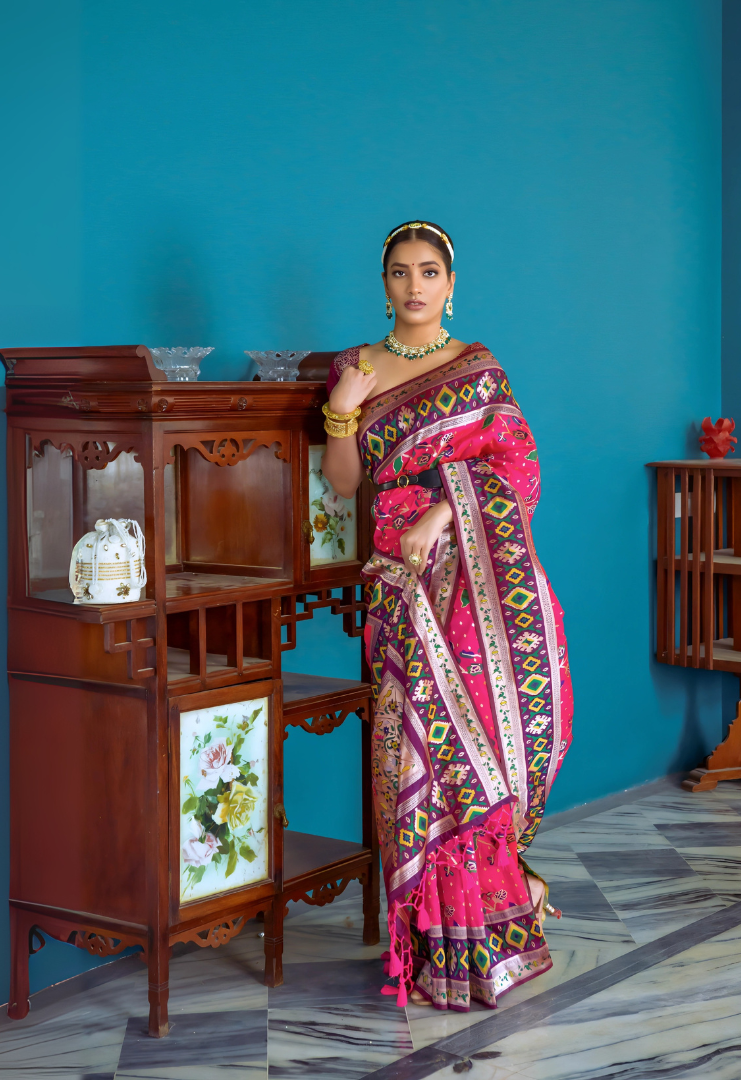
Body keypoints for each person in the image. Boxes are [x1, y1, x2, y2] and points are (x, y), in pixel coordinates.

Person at [321, 220, 573, 1011]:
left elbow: (520, 467)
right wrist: (341, 411)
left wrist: (445, 513)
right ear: (383, 283)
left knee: (482, 747)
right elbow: (342, 484)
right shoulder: (356, 367)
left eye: (429, 271)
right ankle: (432, 938)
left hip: (478, 575)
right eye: (400, 272)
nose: (415, 286)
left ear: (451, 284)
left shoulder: (479, 369)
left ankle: (499, 908)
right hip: (399, 582)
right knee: (417, 749)